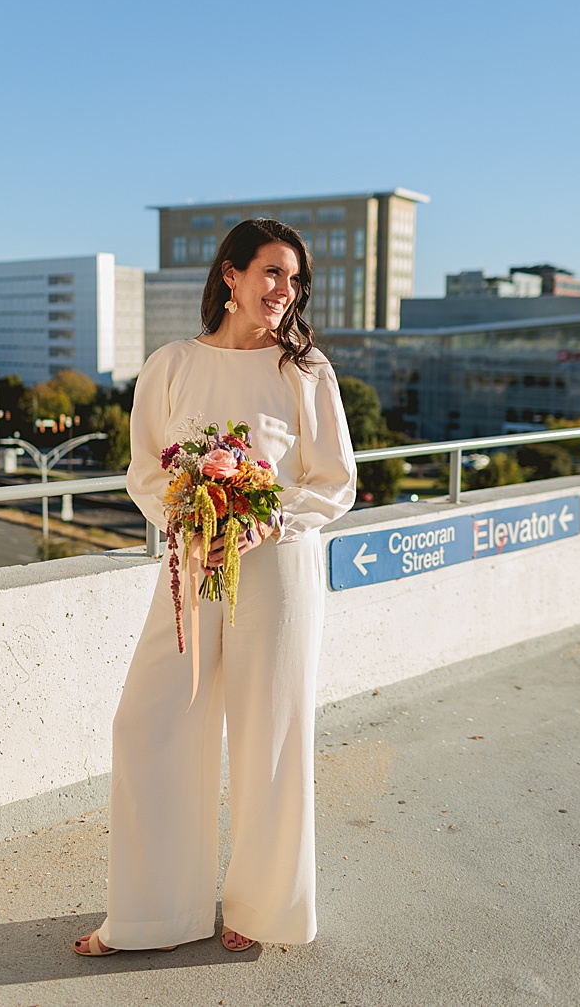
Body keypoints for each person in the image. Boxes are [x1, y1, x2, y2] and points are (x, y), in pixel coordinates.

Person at [73, 218, 356, 958]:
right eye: (270, 273)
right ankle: (154, 912)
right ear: (228, 275)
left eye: (294, 280)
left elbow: (336, 482)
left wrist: (271, 521)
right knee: (147, 722)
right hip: (193, 566)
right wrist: (187, 512)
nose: (284, 291)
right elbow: (144, 468)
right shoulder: (169, 365)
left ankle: (261, 908)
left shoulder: (306, 370)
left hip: (281, 572)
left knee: (271, 737)